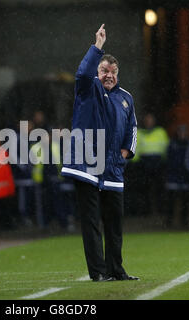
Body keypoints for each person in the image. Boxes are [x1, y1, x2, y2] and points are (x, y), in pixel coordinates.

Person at [61, 24, 139, 282]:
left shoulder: (126, 97)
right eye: (105, 70)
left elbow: (132, 128)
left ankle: (116, 270)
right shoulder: (87, 86)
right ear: (98, 72)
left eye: (113, 72)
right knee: (92, 221)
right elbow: (82, 72)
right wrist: (98, 46)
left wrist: (125, 154)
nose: (109, 75)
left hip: (113, 167)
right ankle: (98, 272)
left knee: (115, 222)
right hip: (86, 164)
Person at [136, 112, 169, 216]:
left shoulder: (160, 132)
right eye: (147, 120)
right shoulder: (139, 132)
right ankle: (146, 211)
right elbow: (135, 149)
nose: (149, 122)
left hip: (158, 163)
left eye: (150, 120)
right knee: (144, 189)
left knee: (159, 189)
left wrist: (165, 162)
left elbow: (166, 147)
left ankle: (161, 210)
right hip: (144, 163)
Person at [165, 125, 189, 228]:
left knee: (185, 201)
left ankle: (185, 221)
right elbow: (168, 159)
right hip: (173, 176)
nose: (182, 134)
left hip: (185, 176)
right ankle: (169, 221)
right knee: (171, 201)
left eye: (184, 132)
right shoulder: (172, 144)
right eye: (180, 132)